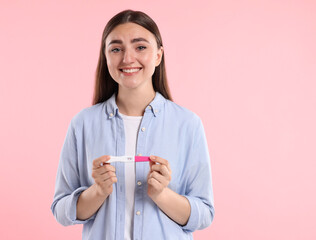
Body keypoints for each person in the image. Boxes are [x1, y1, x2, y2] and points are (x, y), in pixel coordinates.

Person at [51, 9, 214, 240]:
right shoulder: (83, 124)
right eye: (116, 49)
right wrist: (97, 192)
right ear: (106, 57)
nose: (127, 58)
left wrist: (161, 195)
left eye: (140, 47)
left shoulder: (188, 125)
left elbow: (205, 214)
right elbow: (61, 210)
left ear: (158, 55)